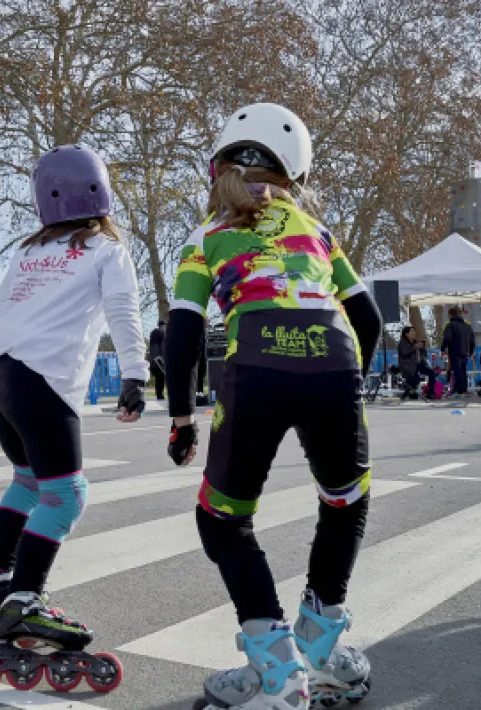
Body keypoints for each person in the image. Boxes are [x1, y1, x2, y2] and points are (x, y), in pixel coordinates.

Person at [163, 103, 380, 709]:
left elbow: (181, 332)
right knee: (345, 501)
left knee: (222, 519)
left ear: (219, 166)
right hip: (334, 360)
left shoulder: (206, 234)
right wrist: (345, 385)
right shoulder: (317, 231)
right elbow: (368, 317)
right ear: (296, 174)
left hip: (255, 364)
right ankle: (321, 649)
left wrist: (181, 419)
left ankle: (276, 673)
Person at [0, 144, 147, 691]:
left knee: (26, 481)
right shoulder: (107, 248)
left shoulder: (28, 249)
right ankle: (23, 599)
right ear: (101, 192)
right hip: (40, 378)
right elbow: (123, 311)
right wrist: (135, 375)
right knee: (65, 495)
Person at [441, 307, 475, 396]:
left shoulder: (450, 325)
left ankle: (459, 390)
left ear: (450, 315)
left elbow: (447, 338)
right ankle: (464, 389)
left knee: (457, 371)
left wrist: (443, 349)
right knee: (463, 371)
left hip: (455, 351)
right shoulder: (467, 326)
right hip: (465, 352)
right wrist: (471, 352)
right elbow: (472, 341)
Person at [396, 326, 433, 400]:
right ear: (406, 334)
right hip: (407, 365)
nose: (414, 333)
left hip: (417, 364)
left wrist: (422, 348)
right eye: (412, 331)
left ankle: (430, 393)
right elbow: (405, 352)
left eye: (414, 331)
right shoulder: (402, 343)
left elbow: (423, 354)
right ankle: (407, 391)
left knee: (432, 373)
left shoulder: (415, 342)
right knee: (415, 379)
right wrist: (415, 347)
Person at [149, 318, 167, 400]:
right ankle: (160, 395)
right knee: (162, 378)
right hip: (160, 360)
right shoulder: (162, 334)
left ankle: (158, 394)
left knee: (158, 378)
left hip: (153, 360)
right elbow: (163, 348)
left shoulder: (153, 335)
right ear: (163, 325)